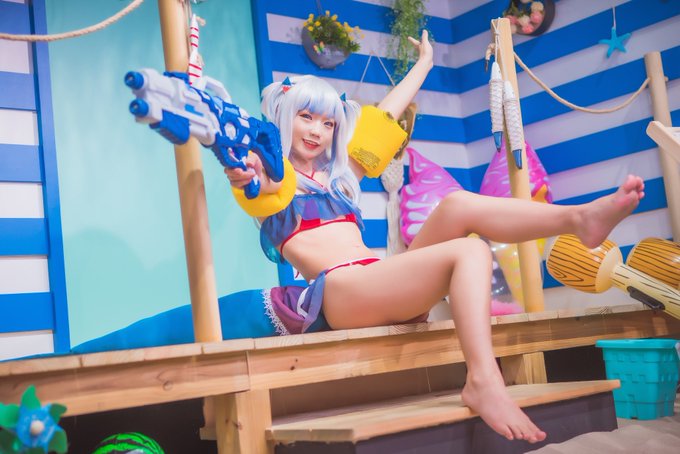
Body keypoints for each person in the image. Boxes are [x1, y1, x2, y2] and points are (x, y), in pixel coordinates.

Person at [225, 30, 645, 444]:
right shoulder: (277, 182)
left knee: (457, 204)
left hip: (383, 283)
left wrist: (425, 63)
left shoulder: (341, 180)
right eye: (306, 117)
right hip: (340, 294)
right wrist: (247, 173)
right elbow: (257, 184)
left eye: (328, 122)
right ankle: (483, 379)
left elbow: (386, 114)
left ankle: (578, 219)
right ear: (284, 116)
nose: (317, 130)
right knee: (469, 251)